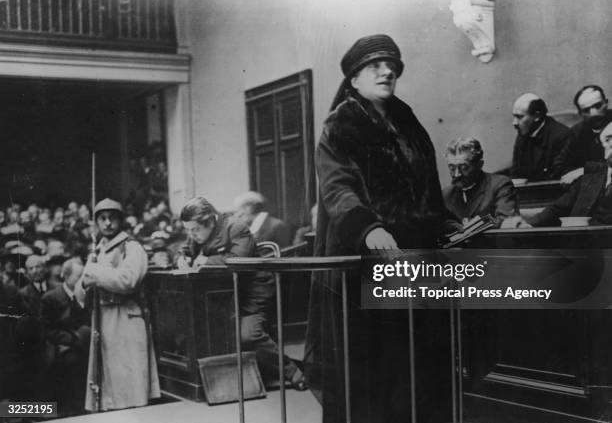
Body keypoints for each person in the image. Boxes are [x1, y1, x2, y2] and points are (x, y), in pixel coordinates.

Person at [305, 34, 452, 423]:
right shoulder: (340, 126)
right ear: (353, 78)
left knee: (420, 364)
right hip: (368, 264)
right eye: (375, 65)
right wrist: (368, 228)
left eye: (393, 66)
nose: (387, 71)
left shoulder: (409, 122)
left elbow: (427, 188)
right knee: (375, 370)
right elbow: (337, 187)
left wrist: (450, 223)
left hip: (418, 263)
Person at [176, 196, 305, 389]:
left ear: (210, 221)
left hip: (251, 293)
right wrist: (182, 258)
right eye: (188, 230)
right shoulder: (196, 230)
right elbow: (185, 249)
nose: (192, 234)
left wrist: (206, 261)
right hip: (220, 295)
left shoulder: (236, 228)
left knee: (248, 336)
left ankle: (293, 373)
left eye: (195, 230)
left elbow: (239, 261)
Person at [75, 198, 160, 411]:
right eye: (102, 219)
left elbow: (128, 280)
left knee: (130, 387)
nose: (107, 223)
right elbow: (80, 292)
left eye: (112, 218)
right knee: (109, 388)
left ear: (120, 220)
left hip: (127, 319)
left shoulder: (132, 247)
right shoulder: (97, 251)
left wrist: (94, 273)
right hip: (103, 319)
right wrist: (85, 282)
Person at [505, 121, 612, 228]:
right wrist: (528, 225)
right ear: (602, 146)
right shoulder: (589, 179)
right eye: (608, 139)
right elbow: (557, 209)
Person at [41, 257, 90, 416]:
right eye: (78, 276)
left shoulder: (86, 295)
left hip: (84, 343)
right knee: (73, 363)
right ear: (66, 276)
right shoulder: (51, 298)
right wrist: (73, 339)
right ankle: (72, 409)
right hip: (61, 347)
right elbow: (47, 330)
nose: (83, 281)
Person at [443, 137, 518, 227]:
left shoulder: (500, 185)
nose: (457, 174)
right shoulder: (445, 194)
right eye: (452, 168)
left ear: (479, 165)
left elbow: (506, 222)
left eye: (464, 167)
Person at [554, 85, 612, 184]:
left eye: (598, 106)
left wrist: (585, 170)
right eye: (586, 110)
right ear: (580, 113)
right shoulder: (578, 132)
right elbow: (559, 166)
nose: (593, 113)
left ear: (606, 103)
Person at [510, 93, 570, 180]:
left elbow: (558, 178)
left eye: (519, 117)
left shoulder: (561, 136)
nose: (514, 122)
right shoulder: (522, 136)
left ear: (537, 116)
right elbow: (515, 173)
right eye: (514, 116)